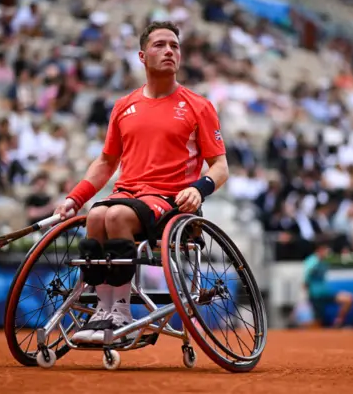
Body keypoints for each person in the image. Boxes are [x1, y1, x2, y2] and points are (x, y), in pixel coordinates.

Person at [54, 21, 229, 344]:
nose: (169, 51)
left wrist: (199, 188)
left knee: (116, 215)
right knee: (95, 215)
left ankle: (121, 312)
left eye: (174, 46)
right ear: (141, 55)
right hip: (127, 195)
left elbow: (220, 166)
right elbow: (106, 162)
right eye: (160, 45)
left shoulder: (198, 106)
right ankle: (102, 309)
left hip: (172, 201)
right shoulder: (123, 106)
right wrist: (74, 199)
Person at [303, 243, 353, 328]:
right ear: (320, 250)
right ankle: (297, 327)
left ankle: (338, 323)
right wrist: (307, 295)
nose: (328, 252)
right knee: (317, 323)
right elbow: (305, 279)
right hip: (316, 296)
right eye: (326, 250)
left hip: (324, 293)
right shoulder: (312, 262)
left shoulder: (324, 261)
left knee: (348, 299)